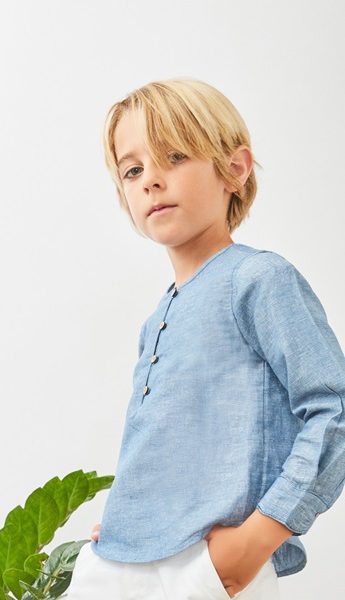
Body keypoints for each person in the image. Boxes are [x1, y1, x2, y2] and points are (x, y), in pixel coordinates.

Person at [66, 79, 345, 600]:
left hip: (209, 568)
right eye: (133, 169)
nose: (150, 180)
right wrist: (130, 523)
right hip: (117, 564)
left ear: (235, 170)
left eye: (173, 156)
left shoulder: (258, 280)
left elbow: (335, 408)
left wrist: (257, 539)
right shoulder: (156, 319)